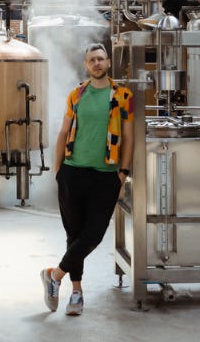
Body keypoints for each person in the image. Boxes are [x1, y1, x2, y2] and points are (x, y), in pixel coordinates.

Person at [41, 43, 134, 317]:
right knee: (75, 234)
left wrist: (123, 173)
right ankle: (77, 294)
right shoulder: (76, 95)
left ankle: (54, 276)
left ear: (108, 63)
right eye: (92, 60)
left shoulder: (123, 96)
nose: (97, 63)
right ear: (86, 65)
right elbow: (63, 132)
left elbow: (128, 137)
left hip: (107, 175)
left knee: (93, 234)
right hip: (73, 172)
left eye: (101, 59)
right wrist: (58, 170)